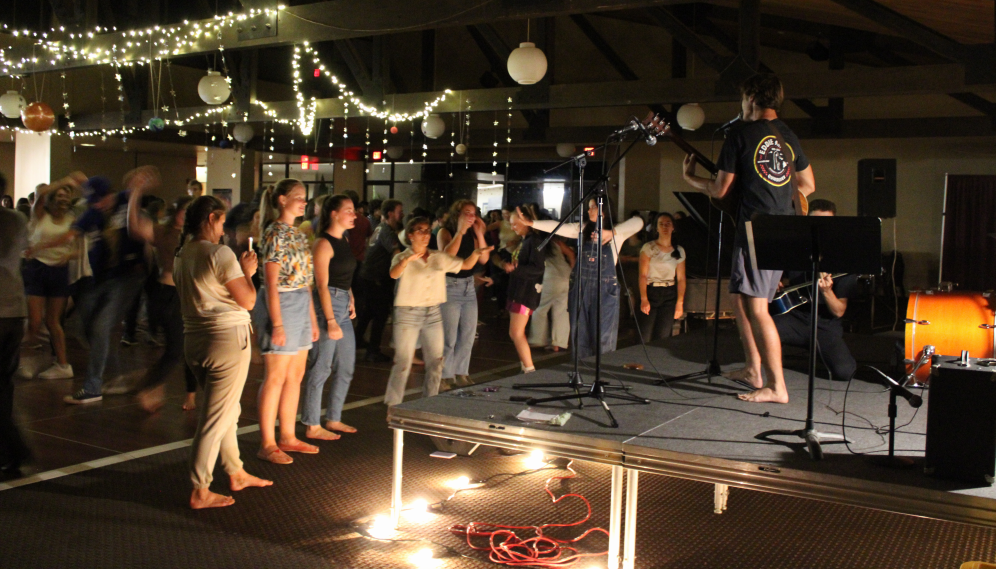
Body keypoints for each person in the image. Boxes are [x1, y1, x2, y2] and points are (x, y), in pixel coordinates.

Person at [681, 73, 815, 404]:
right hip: (783, 229)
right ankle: (754, 369)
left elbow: (720, 189)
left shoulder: (739, 136)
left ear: (752, 99)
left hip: (757, 230)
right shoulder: (787, 135)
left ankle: (776, 387)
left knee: (757, 308)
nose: (741, 105)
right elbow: (808, 185)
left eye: (742, 99)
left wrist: (690, 178)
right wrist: (777, 196)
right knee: (739, 297)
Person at [173, 195, 272, 509]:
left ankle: (236, 471)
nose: (224, 226)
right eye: (222, 219)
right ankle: (200, 488)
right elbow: (248, 301)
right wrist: (249, 272)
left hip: (195, 339)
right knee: (215, 418)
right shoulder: (220, 253)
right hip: (226, 340)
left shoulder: (182, 253)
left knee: (226, 412)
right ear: (212, 218)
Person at [64, 168, 160, 404]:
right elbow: (73, 232)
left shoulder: (125, 199)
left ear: (111, 194)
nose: (97, 206)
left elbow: (146, 183)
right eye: (93, 202)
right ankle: (118, 374)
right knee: (85, 325)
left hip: (129, 275)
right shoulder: (92, 212)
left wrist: (139, 185)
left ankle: (93, 386)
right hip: (103, 277)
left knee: (100, 326)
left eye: (100, 200)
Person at [384, 217, 491, 406]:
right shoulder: (403, 256)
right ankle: (393, 403)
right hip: (408, 312)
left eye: (427, 230)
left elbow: (464, 265)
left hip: (432, 312)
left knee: (436, 361)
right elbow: (393, 273)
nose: (425, 235)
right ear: (410, 235)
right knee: (403, 362)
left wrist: (476, 253)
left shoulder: (437, 257)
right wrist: (407, 260)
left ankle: (430, 400)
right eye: (420, 231)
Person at [520, 201, 644, 360]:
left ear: (604, 209)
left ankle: (602, 374)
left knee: (603, 337)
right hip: (580, 287)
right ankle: (583, 374)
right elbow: (557, 226)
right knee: (580, 337)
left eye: (593, 206)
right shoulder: (582, 229)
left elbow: (638, 222)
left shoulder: (617, 233)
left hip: (604, 290)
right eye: (589, 206)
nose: (589, 209)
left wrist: (612, 232)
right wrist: (532, 223)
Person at [254, 179, 320, 464]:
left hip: (300, 303)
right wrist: (277, 323)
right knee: (276, 376)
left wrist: (312, 319)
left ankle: (288, 436)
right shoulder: (273, 233)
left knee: (295, 376)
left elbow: (306, 280)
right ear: (281, 200)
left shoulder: (297, 233)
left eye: (304, 198)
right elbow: (270, 282)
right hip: (280, 302)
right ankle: (267, 442)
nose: (303, 202)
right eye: (298, 197)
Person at [773, 200, 858, 383]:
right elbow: (785, 280)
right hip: (794, 317)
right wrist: (778, 283)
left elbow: (839, 311)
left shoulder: (844, 259)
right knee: (759, 329)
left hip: (824, 324)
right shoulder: (795, 250)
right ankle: (773, 373)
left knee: (845, 372)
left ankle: (821, 350)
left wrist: (827, 292)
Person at [133, 195, 200, 412]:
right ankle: (148, 386)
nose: (186, 215)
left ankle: (181, 393)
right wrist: (136, 191)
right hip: (168, 295)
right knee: (176, 350)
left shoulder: (195, 236)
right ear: (177, 211)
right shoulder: (165, 232)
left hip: (186, 296)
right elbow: (135, 226)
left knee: (185, 348)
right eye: (184, 210)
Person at [301, 195, 358, 441]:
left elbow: (343, 276)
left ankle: (333, 418)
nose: (354, 215)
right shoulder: (323, 243)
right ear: (334, 213)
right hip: (328, 305)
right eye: (349, 210)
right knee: (321, 366)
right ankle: (312, 424)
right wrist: (331, 320)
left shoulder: (343, 239)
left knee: (345, 366)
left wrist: (351, 298)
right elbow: (322, 285)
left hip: (342, 300)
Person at [22, 173, 86, 380]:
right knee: (34, 321)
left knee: (53, 321)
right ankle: (24, 359)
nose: (63, 199)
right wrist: (64, 181)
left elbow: (79, 250)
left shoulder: (72, 220)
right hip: (37, 269)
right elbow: (40, 195)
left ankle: (63, 365)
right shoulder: (41, 214)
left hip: (59, 271)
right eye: (59, 195)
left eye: (66, 196)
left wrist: (68, 254)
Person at [437, 200, 491, 388]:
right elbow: (447, 256)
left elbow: (483, 258)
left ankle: (461, 372)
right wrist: (460, 232)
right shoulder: (446, 232)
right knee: (449, 337)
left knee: (468, 333)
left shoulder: (472, 234)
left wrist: (479, 233)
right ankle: (444, 374)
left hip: (468, 286)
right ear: (457, 214)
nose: (471, 217)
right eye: (467, 213)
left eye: (474, 213)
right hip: (450, 286)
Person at [0, 174, 32, 477]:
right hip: (14, 308)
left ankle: (13, 450)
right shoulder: (17, 219)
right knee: (5, 383)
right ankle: (11, 451)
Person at [354, 199, 404, 362]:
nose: (402, 215)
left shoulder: (379, 228)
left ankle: (357, 339)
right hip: (377, 279)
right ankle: (373, 351)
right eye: (399, 212)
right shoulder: (387, 232)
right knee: (381, 314)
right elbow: (396, 254)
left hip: (368, 276)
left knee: (369, 311)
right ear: (390, 214)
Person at [502, 208, 546, 373]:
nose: (513, 227)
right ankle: (525, 366)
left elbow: (538, 268)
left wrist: (515, 270)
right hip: (520, 290)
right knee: (515, 332)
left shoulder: (533, 241)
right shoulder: (527, 241)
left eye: (515, 224)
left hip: (525, 292)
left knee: (516, 332)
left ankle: (529, 367)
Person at [637, 213, 687, 342]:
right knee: (645, 334)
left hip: (669, 292)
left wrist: (680, 302)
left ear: (673, 228)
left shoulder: (679, 250)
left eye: (668, 224)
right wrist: (644, 298)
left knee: (663, 336)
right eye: (661, 224)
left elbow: (681, 278)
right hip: (651, 290)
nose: (665, 227)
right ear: (656, 228)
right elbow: (642, 275)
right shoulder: (649, 247)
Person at [528, 235, 574, 353]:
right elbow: (571, 254)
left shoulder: (535, 244)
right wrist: (572, 270)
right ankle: (559, 343)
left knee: (540, 308)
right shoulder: (556, 242)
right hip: (565, 276)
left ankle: (538, 339)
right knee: (561, 310)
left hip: (549, 277)